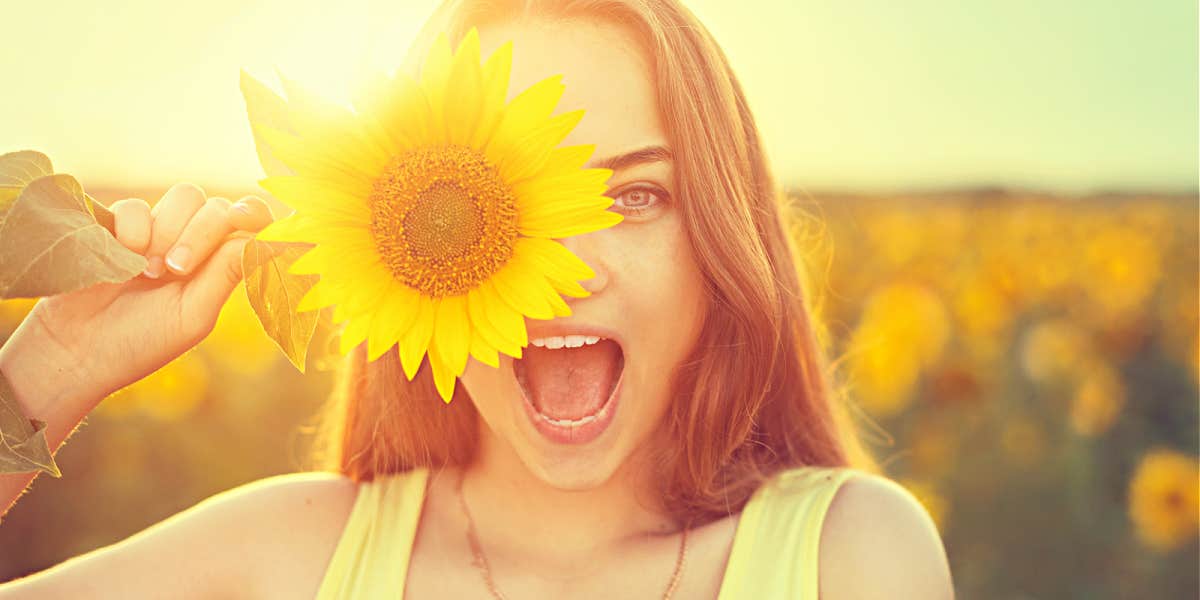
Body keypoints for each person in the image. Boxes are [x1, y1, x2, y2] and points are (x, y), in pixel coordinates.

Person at [0, 0, 954, 598]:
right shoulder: (288, 556)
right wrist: (50, 372)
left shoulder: (847, 557)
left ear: (721, 240)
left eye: (632, 196)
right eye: (510, 201)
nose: (567, 267)